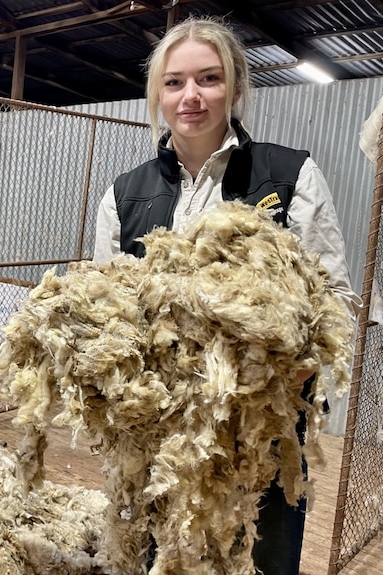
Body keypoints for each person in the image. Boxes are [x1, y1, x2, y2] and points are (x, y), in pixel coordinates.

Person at [93, 16, 360, 575]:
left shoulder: (288, 177)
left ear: (236, 88)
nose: (191, 96)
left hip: (262, 430)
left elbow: (335, 297)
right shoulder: (125, 194)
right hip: (157, 430)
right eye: (174, 82)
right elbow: (106, 311)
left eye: (209, 79)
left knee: (263, 553)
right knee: (154, 551)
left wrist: (285, 367)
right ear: (157, 96)